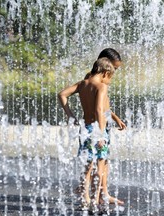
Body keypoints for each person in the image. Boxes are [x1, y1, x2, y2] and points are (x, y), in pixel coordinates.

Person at [58, 57, 124, 213]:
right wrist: (101, 134)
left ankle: (84, 200)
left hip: (85, 128)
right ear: (105, 72)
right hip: (97, 130)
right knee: (100, 166)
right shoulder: (101, 86)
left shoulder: (83, 84)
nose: (109, 81)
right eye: (110, 77)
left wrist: (70, 115)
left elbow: (62, 94)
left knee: (87, 166)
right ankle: (95, 202)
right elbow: (100, 110)